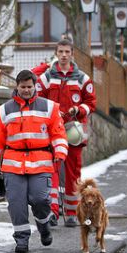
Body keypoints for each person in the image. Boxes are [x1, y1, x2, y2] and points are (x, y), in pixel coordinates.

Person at [0, 70, 68, 253]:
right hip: (13, 164)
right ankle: (22, 240)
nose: (27, 90)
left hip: (41, 162)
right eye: (23, 87)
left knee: (40, 199)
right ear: (17, 87)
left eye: (30, 87)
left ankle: (44, 226)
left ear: (35, 85)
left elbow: (58, 134)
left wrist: (60, 153)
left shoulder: (50, 108)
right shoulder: (2, 111)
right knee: (16, 203)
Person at [32, 38, 97, 227]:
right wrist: (52, 112)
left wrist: (78, 110)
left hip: (74, 131)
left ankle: (71, 212)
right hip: (52, 130)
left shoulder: (82, 78)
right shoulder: (46, 77)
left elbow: (91, 102)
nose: (63, 55)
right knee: (51, 170)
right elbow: (38, 99)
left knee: (73, 172)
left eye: (67, 52)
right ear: (56, 53)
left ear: (72, 54)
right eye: (60, 52)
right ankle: (52, 212)